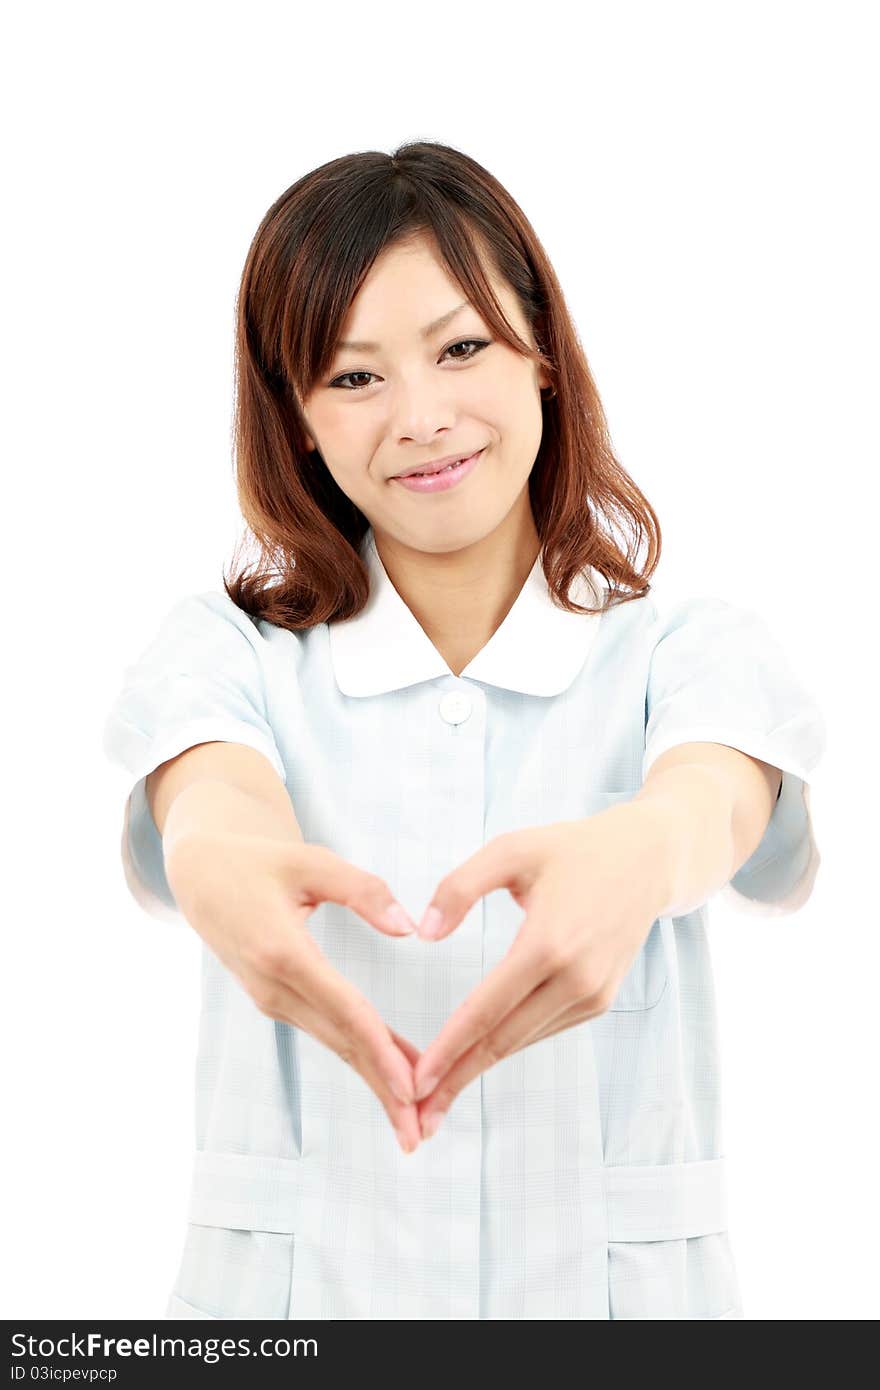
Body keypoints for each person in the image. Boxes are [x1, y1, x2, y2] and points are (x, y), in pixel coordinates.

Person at [102, 140, 826, 1320]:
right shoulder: (227, 652)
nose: (420, 418)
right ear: (295, 419)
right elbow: (211, 798)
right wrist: (224, 862)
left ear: (541, 354)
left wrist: (642, 853)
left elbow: (713, 798)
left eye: (461, 347)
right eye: (353, 377)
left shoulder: (685, 648)